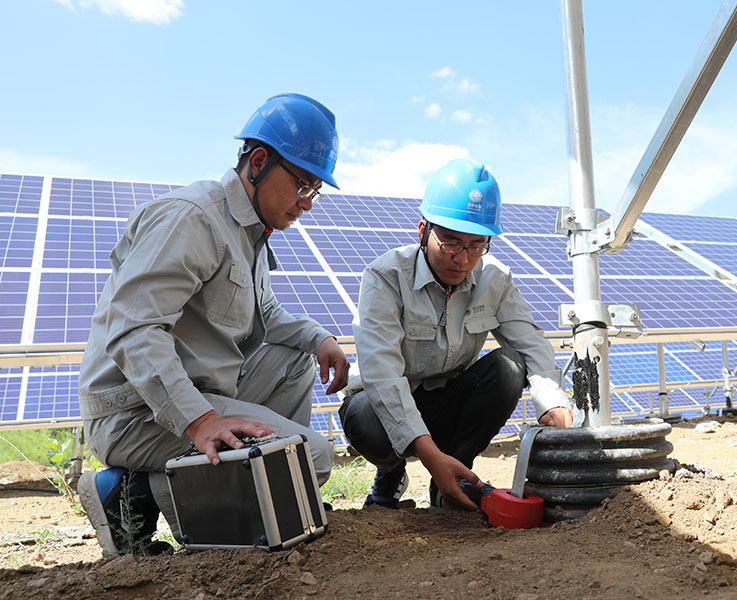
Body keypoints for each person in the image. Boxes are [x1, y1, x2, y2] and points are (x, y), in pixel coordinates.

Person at [76, 93, 350, 556]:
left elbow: (266, 317)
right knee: (312, 457)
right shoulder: (193, 218)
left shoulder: (250, 233)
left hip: (197, 392)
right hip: (134, 410)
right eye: (303, 186)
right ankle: (129, 497)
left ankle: (262, 487)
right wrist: (200, 422)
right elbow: (134, 330)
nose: (307, 204)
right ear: (259, 161)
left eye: (314, 192)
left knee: (295, 361)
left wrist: (319, 338)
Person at [339, 158, 573, 511]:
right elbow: (382, 375)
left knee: (509, 367)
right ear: (423, 231)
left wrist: (552, 401)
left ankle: (453, 478)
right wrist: (430, 455)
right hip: (388, 404)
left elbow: (530, 343)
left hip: (447, 399)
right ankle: (391, 470)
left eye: (476, 245)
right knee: (362, 415)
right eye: (450, 242)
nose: (462, 259)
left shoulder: (496, 279)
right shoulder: (385, 277)